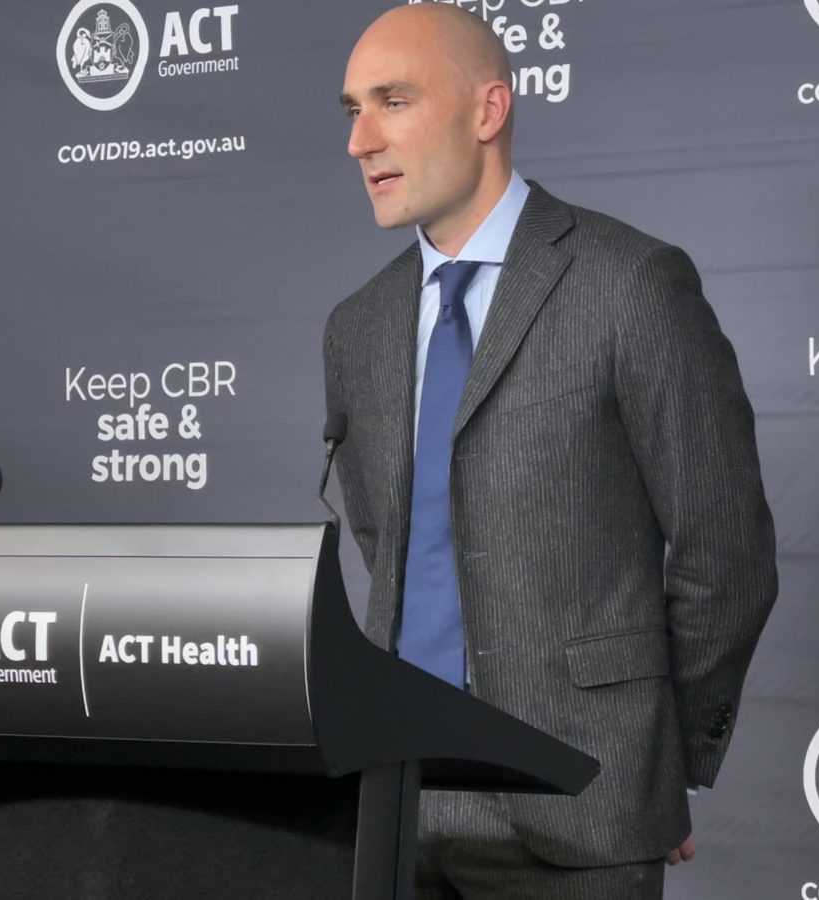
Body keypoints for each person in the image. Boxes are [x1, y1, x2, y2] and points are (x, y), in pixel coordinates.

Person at [323, 5, 777, 898]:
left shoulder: (631, 284)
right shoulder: (357, 327)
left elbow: (726, 555)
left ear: (488, 112)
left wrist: (655, 758)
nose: (360, 141)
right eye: (351, 110)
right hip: (391, 807)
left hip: (582, 808)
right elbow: (389, 542)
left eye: (393, 101)